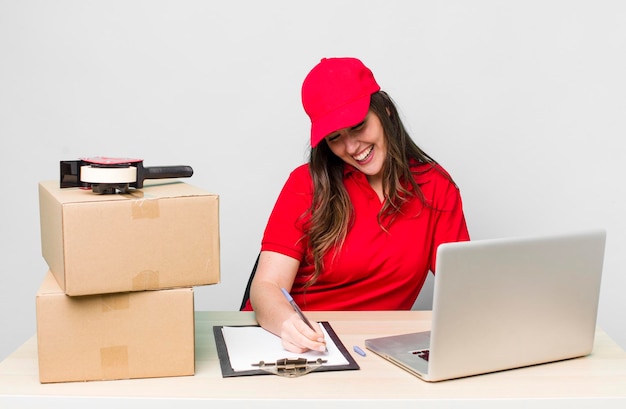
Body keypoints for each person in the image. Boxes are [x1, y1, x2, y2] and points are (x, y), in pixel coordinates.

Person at [242, 57, 469, 354]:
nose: (351, 148)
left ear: (385, 111)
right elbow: (266, 287)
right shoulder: (306, 184)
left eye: (358, 126)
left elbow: (465, 289)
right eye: (335, 138)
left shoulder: (436, 187)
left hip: (371, 349)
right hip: (289, 344)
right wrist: (287, 325)